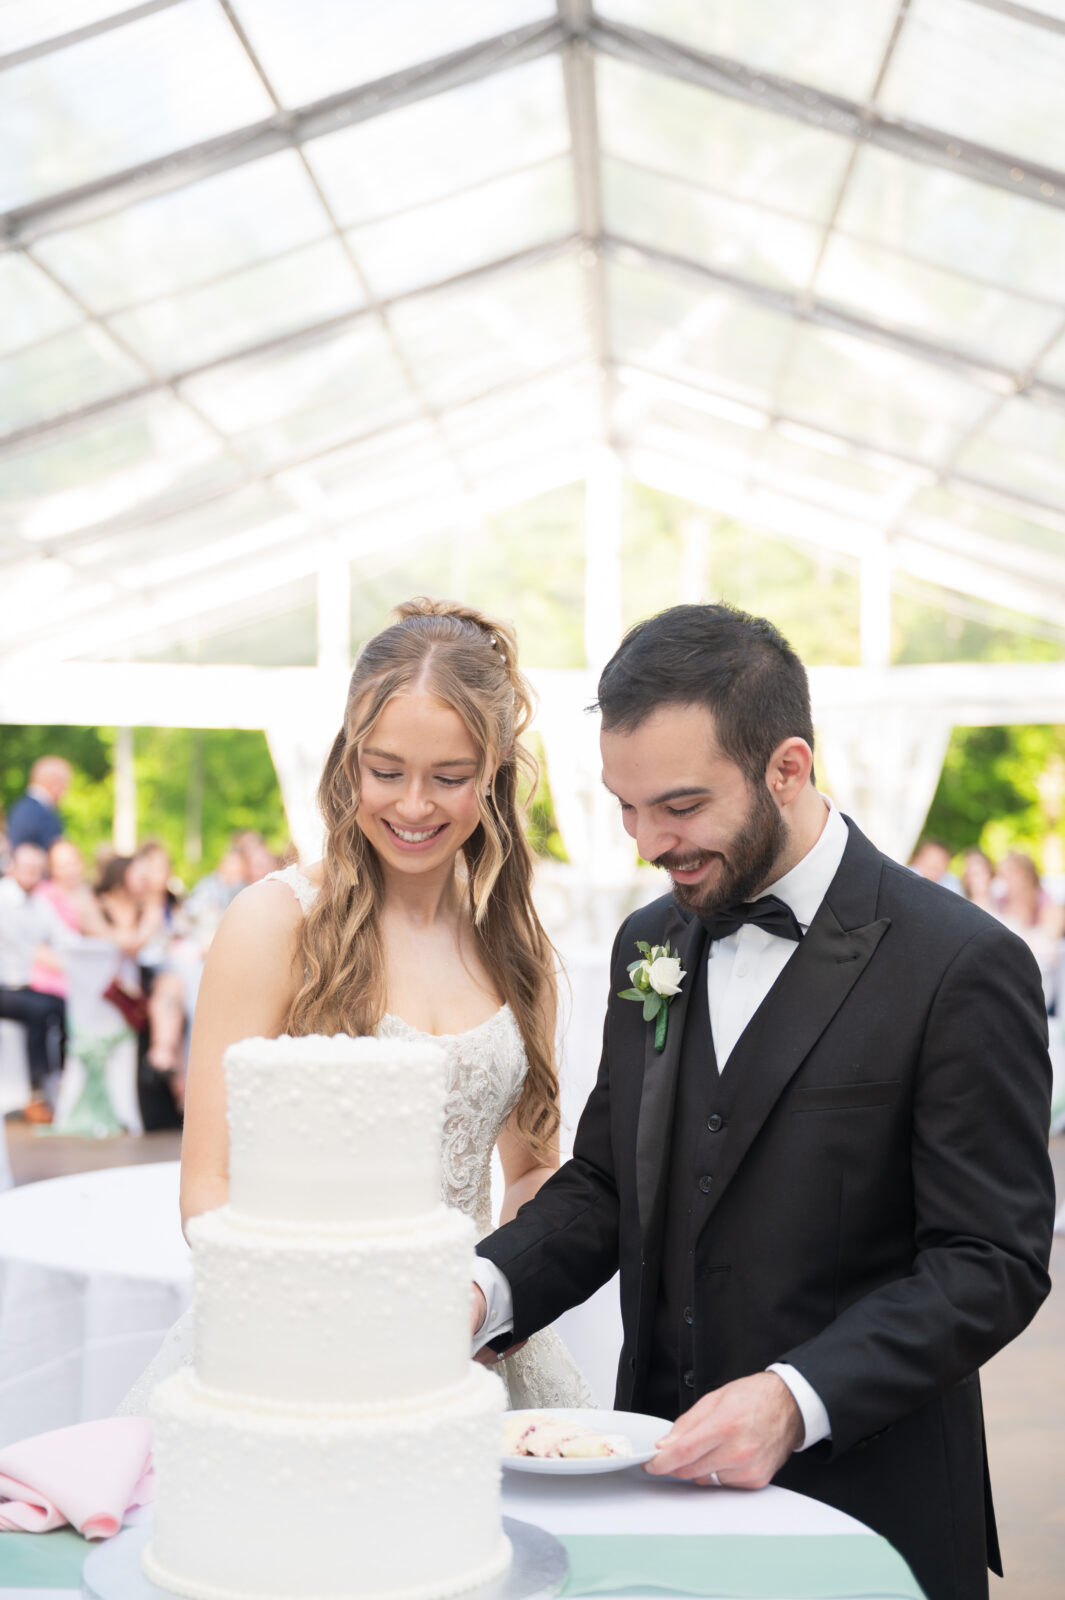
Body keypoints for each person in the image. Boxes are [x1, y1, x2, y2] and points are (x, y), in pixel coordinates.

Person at [472, 603, 1055, 1600]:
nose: (647, 840)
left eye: (681, 805)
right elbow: (610, 1184)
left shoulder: (962, 965)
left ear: (788, 767)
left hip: (869, 1505)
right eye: (626, 805)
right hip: (649, 1494)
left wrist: (797, 1397)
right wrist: (481, 1293)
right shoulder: (647, 944)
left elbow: (989, 1262)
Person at [118, 598, 592, 1415]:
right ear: (347, 765)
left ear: (492, 774)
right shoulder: (273, 923)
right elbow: (208, 1184)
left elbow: (532, 1171)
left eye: (448, 779)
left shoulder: (520, 954)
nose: (413, 807)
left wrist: (488, 1293)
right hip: (296, 1337)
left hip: (470, 1342)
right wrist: (336, 1311)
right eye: (386, 771)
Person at [0, 842, 72, 1122]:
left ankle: (62, 1078)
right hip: (5, 986)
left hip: (23, 986)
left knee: (63, 1006)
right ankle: (36, 1091)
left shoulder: (40, 904)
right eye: (27, 869)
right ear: (13, 867)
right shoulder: (4, 898)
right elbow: (24, 946)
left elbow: (62, 936)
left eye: (36, 870)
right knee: (39, 1010)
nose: (32, 875)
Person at [7, 757, 72, 852]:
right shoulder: (44, 815)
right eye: (65, 786)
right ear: (54, 782)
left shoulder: (19, 808)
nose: (66, 793)